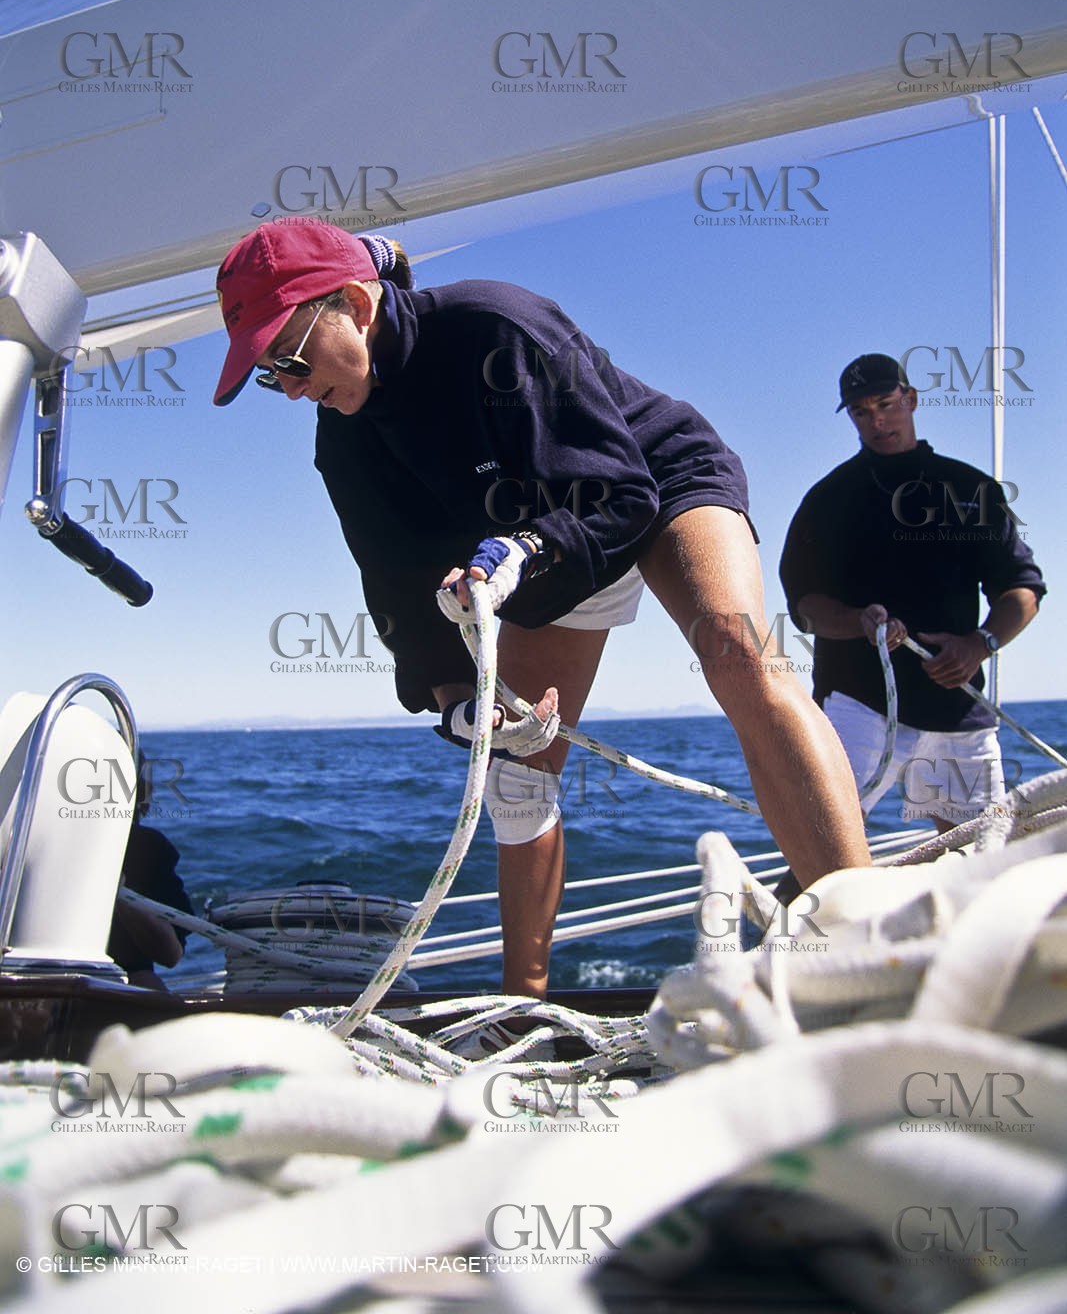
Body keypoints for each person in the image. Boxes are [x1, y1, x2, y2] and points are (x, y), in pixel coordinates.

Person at [214, 218, 871, 1013]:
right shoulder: (342, 438)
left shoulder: (497, 323)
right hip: (530, 552)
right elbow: (391, 580)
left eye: (289, 357)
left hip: (652, 485)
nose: (286, 386)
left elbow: (620, 493)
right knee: (515, 778)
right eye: (267, 375)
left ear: (354, 301)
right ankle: (521, 1007)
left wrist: (524, 547)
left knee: (739, 658)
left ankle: (864, 951)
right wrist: (458, 702)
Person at [780, 353, 1045, 834]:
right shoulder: (828, 500)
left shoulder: (969, 488)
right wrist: (858, 620)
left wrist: (978, 644)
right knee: (822, 841)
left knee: (976, 856)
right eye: (861, 411)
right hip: (860, 700)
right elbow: (804, 605)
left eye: (886, 403)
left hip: (957, 705)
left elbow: (1022, 588)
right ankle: (800, 912)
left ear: (912, 399)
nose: (876, 419)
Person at [108, 758, 195, 989]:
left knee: (143, 981)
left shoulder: (147, 847)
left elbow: (171, 954)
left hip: (122, 983)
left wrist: (121, 898)